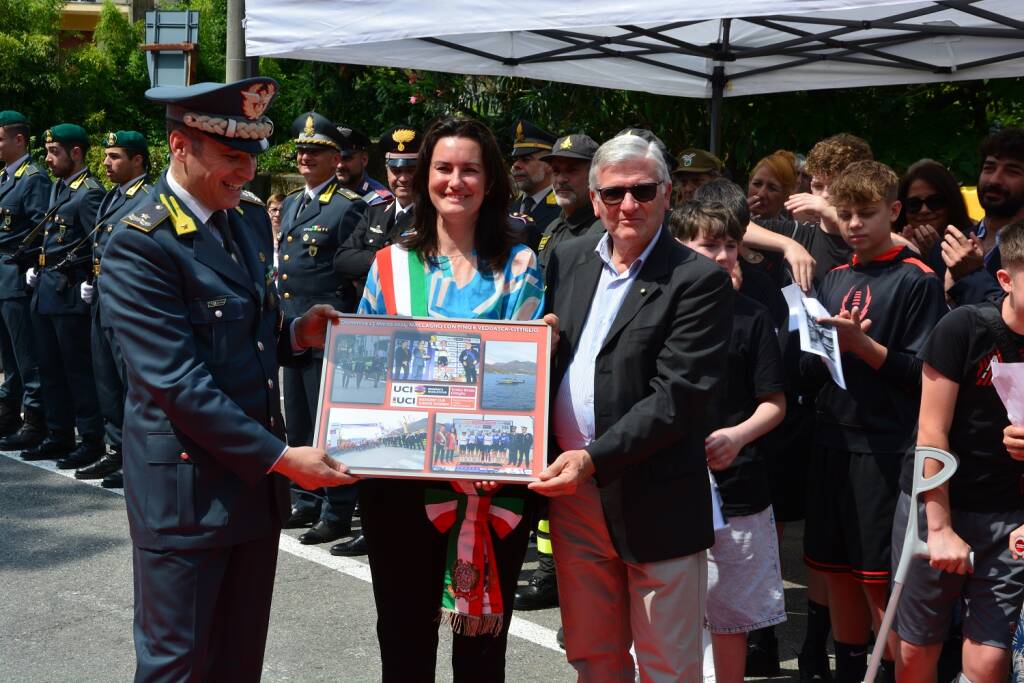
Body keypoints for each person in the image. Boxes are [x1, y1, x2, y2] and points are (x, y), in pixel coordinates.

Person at [99, 77, 355, 682]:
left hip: (250, 491)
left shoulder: (240, 222)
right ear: (180, 146)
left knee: (238, 661)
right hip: (187, 496)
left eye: (251, 158)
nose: (245, 173)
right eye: (231, 157)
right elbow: (178, 383)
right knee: (179, 665)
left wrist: (297, 334)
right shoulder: (140, 245)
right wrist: (284, 459)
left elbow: (247, 335)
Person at [532, 132, 733, 682]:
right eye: (614, 193)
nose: (629, 205)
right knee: (593, 655)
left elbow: (679, 397)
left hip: (655, 497)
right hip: (575, 498)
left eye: (643, 191)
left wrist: (591, 458)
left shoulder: (699, 280)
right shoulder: (569, 258)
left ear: (667, 195)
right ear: (594, 199)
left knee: (668, 665)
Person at [357, 116, 544, 682]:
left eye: (470, 169)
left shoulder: (519, 267)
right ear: (424, 175)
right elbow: (363, 380)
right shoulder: (389, 264)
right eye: (443, 168)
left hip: (489, 479)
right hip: (398, 481)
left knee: (482, 647)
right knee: (404, 635)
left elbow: (522, 387)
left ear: (490, 182)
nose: (455, 181)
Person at [801, 160, 947, 683]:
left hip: (883, 448)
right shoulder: (835, 276)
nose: (855, 224)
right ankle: (847, 671)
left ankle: (889, 672)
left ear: (894, 211)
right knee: (833, 570)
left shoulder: (917, 280)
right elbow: (815, 364)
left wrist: (862, 346)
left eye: (866, 213)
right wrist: (813, 347)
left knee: (877, 578)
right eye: (845, 215)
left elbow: (920, 373)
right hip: (831, 436)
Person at [892, 219, 1024, 683]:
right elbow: (931, 429)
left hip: (1009, 515)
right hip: (937, 502)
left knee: (989, 660)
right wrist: (940, 526)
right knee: (915, 650)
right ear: (1005, 280)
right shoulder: (965, 326)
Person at [670, 201, 788, 683]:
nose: (722, 255)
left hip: (736, 487)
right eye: (708, 245)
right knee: (668, 611)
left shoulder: (753, 315)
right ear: (679, 247)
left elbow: (775, 403)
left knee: (729, 616)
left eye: (730, 245)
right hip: (669, 484)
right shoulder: (657, 307)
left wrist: (737, 436)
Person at [278, 112, 368, 548]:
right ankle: (305, 500)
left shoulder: (348, 205)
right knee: (297, 420)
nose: (305, 156)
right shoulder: (294, 202)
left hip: (329, 333)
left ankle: (337, 509)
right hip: (293, 329)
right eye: (301, 149)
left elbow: (353, 272)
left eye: (315, 151)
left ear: (337, 158)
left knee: (328, 427)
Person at [22, 123, 105, 467]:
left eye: (55, 151)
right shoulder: (59, 188)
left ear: (76, 153)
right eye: (47, 151)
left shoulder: (89, 192)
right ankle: (58, 434)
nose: (48, 158)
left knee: (77, 372)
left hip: (71, 293)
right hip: (47, 291)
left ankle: (89, 439)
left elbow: (96, 245)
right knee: (50, 368)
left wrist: (89, 280)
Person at [73, 130, 153, 486]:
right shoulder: (111, 198)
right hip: (103, 297)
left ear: (138, 160)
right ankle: (115, 450)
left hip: (129, 302)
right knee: (105, 379)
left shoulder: (148, 198)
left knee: (130, 384)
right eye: (106, 156)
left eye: (115, 157)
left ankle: (136, 457)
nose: (106, 163)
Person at [932, 128, 1024, 306]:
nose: (995, 180)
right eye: (989, 168)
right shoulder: (945, 247)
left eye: (1012, 171)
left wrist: (971, 276)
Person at [0, 110, 48, 449]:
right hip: (2, 278)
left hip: (17, 277)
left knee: (26, 354)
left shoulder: (33, 178)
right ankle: (7, 412)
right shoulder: (5, 177)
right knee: (8, 354)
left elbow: (38, 230)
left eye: (0, 138)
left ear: (19, 140)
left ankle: (35, 420)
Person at [335, 125, 420, 312]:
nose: (403, 178)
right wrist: (388, 260)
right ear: (387, 171)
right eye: (396, 171)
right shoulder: (374, 212)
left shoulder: (432, 218)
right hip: (367, 311)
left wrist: (367, 262)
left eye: (411, 170)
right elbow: (342, 259)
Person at [534, 133, 605, 271]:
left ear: (595, 176)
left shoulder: (605, 231)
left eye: (572, 170)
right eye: (556, 171)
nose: (561, 179)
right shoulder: (553, 228)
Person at [895, 158, 973, 261]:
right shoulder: (892, 244)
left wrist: (935, 255)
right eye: (914, 204)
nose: (924, 210)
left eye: (934, 201)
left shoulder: (973, 242)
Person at [509, 119, 560, 239]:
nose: (516, 165)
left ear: (549, 164)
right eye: (515, 159)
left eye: (526, 159)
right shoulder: (508, 208)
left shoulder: (563, 208)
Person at [334, 123, 389, 204]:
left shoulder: (380, 200)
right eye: (335, 159)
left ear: (364, 159)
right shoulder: (321, 190)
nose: (339, 165)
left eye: (347, 158)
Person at [747, 150, 797, 222]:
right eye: (757, 184)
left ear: (787, 196)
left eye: (772, 188)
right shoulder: (728, 222)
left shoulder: (792, 231)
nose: (761, 194)